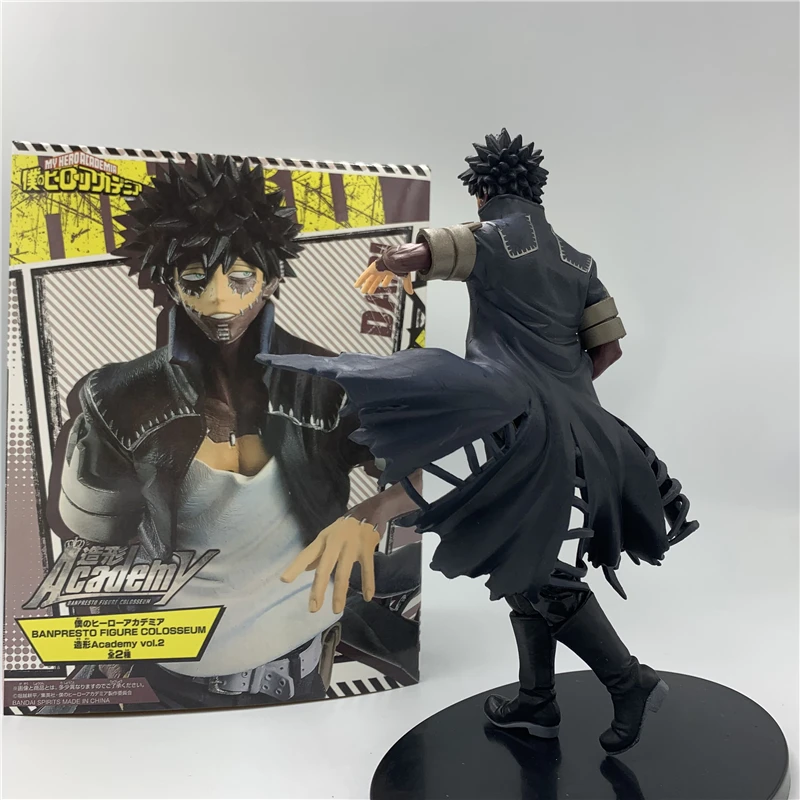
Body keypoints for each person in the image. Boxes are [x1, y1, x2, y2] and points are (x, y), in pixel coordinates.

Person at [260, 130, 698, 753]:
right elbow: (609, 350)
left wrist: (392, 261)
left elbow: (429, 252)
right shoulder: (580, 262)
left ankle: (628, 681)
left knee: (542, 573)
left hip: (515, 418)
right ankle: (537, 702)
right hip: (584, 430)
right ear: (535, 190)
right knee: (521, 567)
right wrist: (562, 390)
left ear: (483, 190)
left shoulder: (493, 236)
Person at [52, 155, 420, 710]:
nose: (220, 299)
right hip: (169, 677)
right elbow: (93, 544)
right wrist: (103, 651)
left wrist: (372, 512)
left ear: (271, 280)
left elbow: (436, 467)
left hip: (300, 667)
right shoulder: (117, 397)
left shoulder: (329, 385)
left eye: (241, 278)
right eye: (195, 279)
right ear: (171, 283)